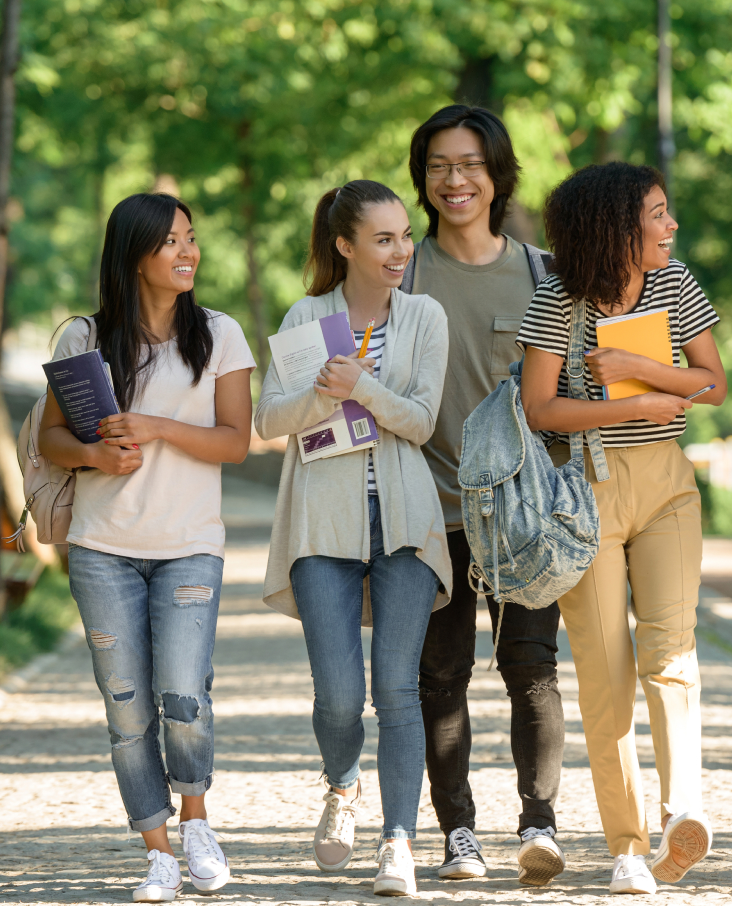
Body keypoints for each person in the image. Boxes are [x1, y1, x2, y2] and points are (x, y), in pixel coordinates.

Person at [37, 193, 255, 903]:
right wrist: (96, 458)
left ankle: (196, 822)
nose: (187, 252)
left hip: (190, 544)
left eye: (191, 238)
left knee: (183, 693)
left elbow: (235, 441)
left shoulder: (219, 335)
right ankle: (156, 847)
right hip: (102, 549)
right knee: (127, 705)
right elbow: (50, 441)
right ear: (133, 255)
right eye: (170, 242)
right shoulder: (83, 339)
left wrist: (158, 426)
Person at [518, 162, 726, 895]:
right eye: (658, 215)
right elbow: (540, 408)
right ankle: (627, 845)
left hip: (667, 486)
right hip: (586, 495)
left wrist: (642, 368)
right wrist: (627, 406)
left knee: (671, 653)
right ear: (615, 229)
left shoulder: (674, 285)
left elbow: (712, 383)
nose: (671, 227)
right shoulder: (556, 301)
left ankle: (682, 813)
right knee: (606, 677)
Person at [254, 179, 450, 898]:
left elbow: (423, 422)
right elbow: (270, 420)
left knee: (396, 688)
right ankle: (342, 785)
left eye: (405, 236)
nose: (401, 251)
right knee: (339, 696)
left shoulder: (425, 315)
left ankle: (398, 839)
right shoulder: (308, 315)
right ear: (345, 246)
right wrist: (322, 394)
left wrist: (363, 387)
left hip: (404, 520)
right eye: (384, 239)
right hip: (322, 521)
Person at [401, 104, 567, 886]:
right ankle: (457, 832)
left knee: (531, 667)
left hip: (522, 520)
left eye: (469, 164)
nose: (454, 180)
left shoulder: (543, 274)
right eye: (438, 166)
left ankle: (540, 823)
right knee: (440, 678)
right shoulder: (400, 275)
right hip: (428, 514)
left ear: (498, 175)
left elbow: (569, 390)